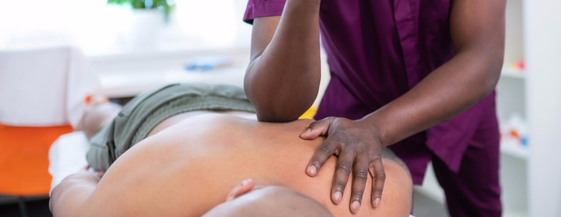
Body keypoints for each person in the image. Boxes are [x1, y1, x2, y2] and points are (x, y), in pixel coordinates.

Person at [243, 0, 506, 215]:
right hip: (355, 106)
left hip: (457, 96)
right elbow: (274, 106)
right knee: (354, 206)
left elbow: (483, 57)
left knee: (479, 209)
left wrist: (377, 128)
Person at [49, 83, 412, 216]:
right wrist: (86, 178)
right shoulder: (150, 199)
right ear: (239, 190)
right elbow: (68, 193)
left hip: (256, 109)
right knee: (103, 119)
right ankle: (94, 103)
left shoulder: (387, 192)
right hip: (165, 109)